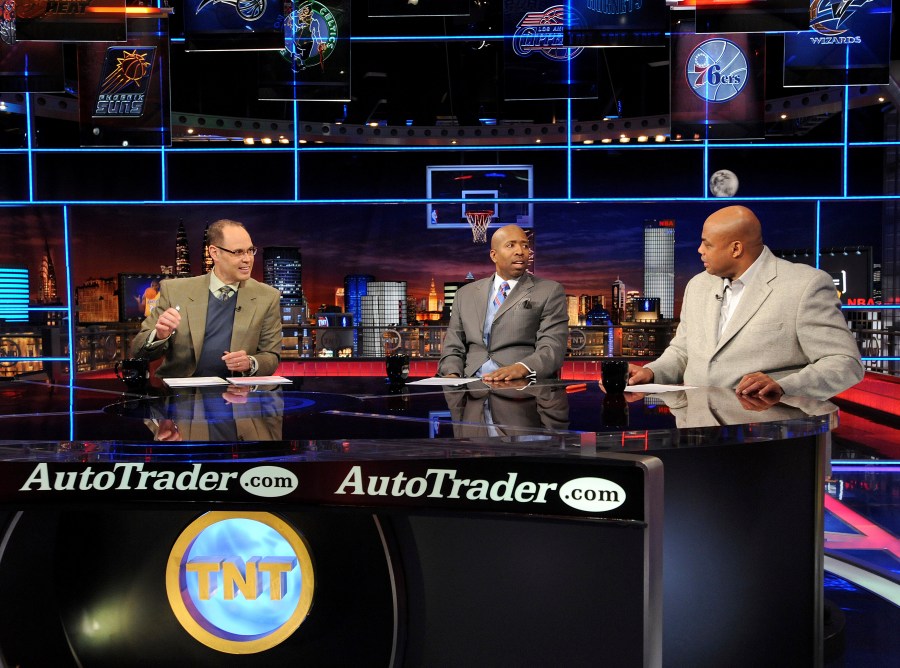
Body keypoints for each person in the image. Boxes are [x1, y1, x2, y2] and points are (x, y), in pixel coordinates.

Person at [627, 205, 864, 400]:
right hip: (695, 430)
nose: (699, 250)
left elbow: (844, 363)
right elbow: (682, 352)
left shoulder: (805, 285)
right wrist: (651, 372)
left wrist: (784, 386)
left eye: (707, 244)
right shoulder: (697, 286)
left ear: (736, 249)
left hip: (766, 431)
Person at [130, 219, 282, 378]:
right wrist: (160, 335)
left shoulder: (267, 296)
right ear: (214, 253)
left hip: (236, 390)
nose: (248, 259)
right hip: (181, 389)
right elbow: (138, 350)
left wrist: (251, 363)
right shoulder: (175, 291)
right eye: (238, 252)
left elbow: (271, 356)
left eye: (250, 250)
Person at [438, 224, 568, 380]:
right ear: (494, 255)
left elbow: (553, 346)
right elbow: (453, 346)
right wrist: (452, 374)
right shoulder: (465, 294)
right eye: (510, 245)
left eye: (525, 246)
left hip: (520, 384)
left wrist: (522, 368)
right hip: (470, 383)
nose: (520, 251)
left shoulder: (549, 290)